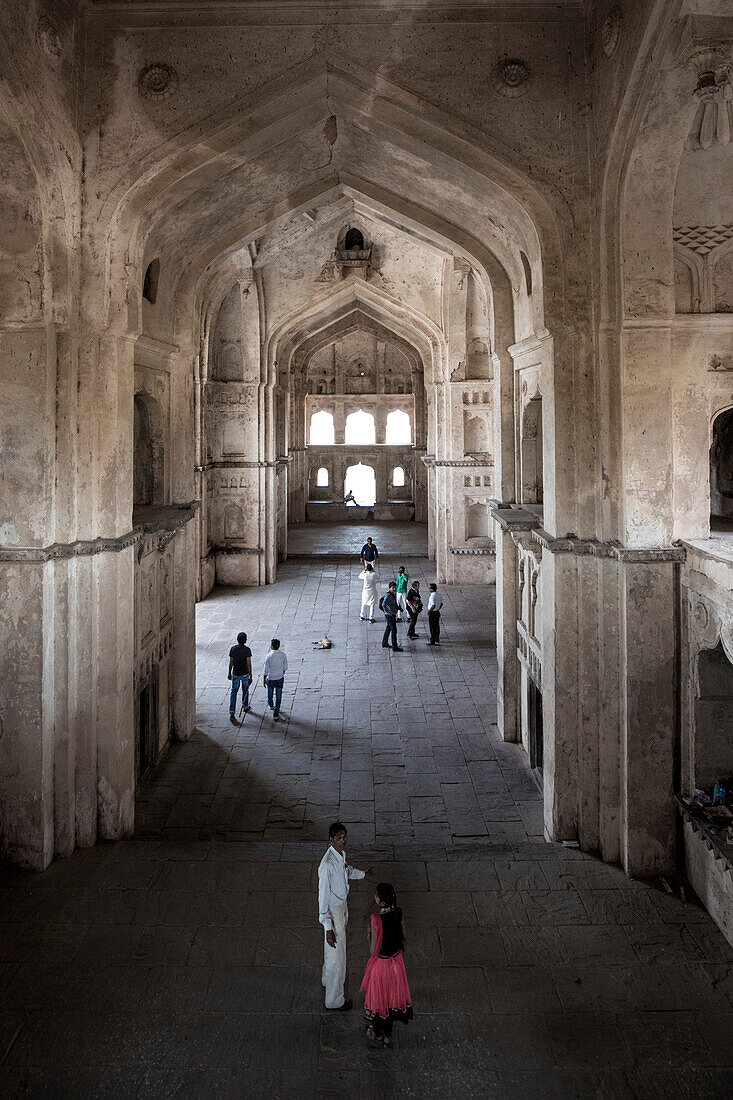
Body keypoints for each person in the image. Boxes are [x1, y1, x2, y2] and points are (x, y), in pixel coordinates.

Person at [318, 822, 372, 1011]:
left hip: (341, 907)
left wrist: (363, 874)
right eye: (339, 838)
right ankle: (334, 1000)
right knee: (337, 958)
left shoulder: (339, 856)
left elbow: (346, 871)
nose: (343, 841)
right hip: (334, 914)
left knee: (332, 953)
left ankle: (326, 979)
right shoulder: (327, 866)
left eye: (344, 837)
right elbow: (322, 900)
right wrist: (328, 927)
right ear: (331, 840)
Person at [360, 882, 413, 1048]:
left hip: (381, 966)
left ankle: (377, 1034)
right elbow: (404, 936)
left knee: (378, 1003)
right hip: (397, 964)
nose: (375, 897)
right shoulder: (399, 913)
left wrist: (369, 934)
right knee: (391, 1002)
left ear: (381, 902)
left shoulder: (376, 920)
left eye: (376, 895)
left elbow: (373, 951)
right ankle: (388, 1036)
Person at [227, 631, 252, 724]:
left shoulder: (233, 649)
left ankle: (232, 711)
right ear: (245, 640)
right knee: (245, 690)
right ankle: (245, 706)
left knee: (234, 691)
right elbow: (249, 664)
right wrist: (250, 675)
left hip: (236, 673)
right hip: (245, 673)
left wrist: (229, 673)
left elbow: (231, 662)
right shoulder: (247, 650)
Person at [263, 638, 288, 720]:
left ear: (272, 646)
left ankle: (271, 705)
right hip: (279, 678)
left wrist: (264, 679)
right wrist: (281, 674)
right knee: (279, 696)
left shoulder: (269, 656)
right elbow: (285, 667)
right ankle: (276, 713)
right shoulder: (283, 655)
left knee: (270, 694)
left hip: (270, 678)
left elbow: (266, 670)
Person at [381, 582, 402, 652]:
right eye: (393, 587)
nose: (394, 589)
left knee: (389, 628)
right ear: (390, 588)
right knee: (394, 629)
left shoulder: (393, 594)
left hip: (392, 614)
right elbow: (384, 604)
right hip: (390, 615)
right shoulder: (388, 595)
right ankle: (394, 646)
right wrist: (388, 612)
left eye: (395, 587)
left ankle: (384, 642)